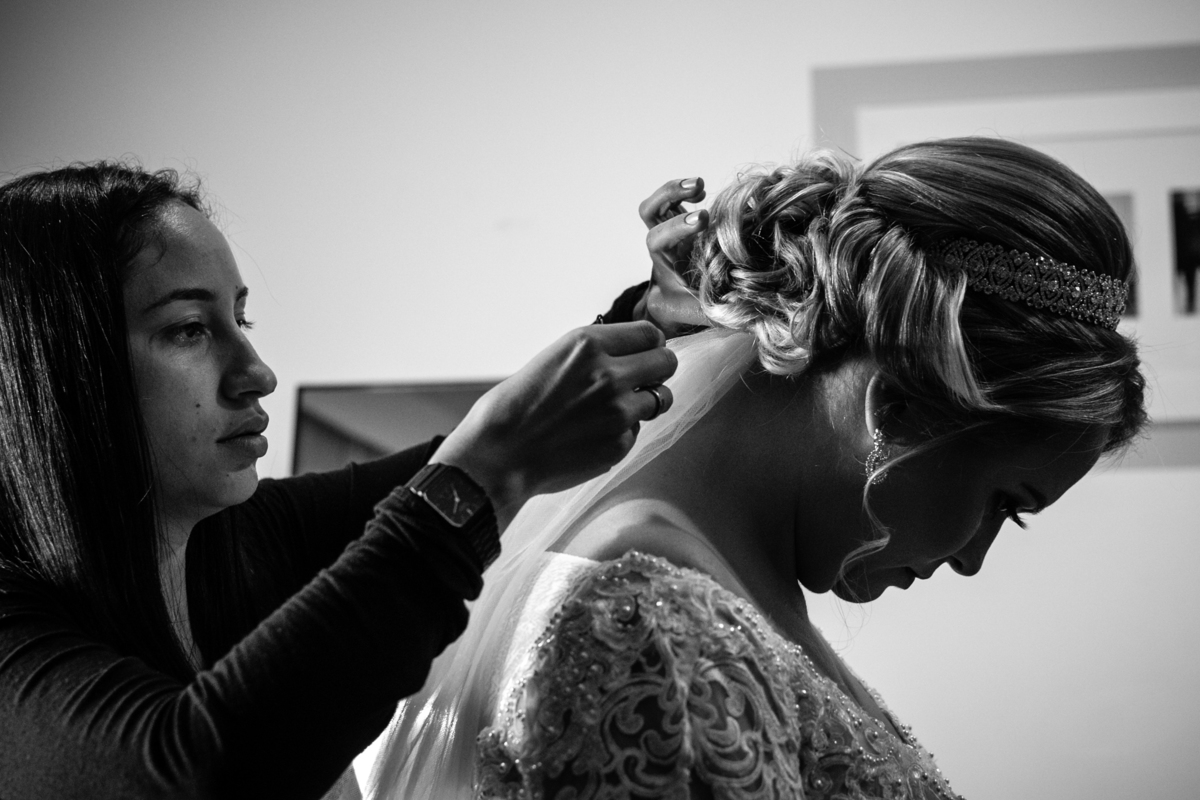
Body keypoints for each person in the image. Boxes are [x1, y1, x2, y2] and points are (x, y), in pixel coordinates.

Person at [364, 137, 1147, 799]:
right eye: (1005, 502)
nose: (974, 558)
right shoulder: (648, 621)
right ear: (898, 409)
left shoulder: (706, 582)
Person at [0, 162, 682, 799]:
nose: (257, 373)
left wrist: (646, 321)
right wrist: (487, 476)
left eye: (240, 318)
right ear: (59, 375)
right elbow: (196, 771)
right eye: (188, 329)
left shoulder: (238, 537)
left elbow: (465, 457)